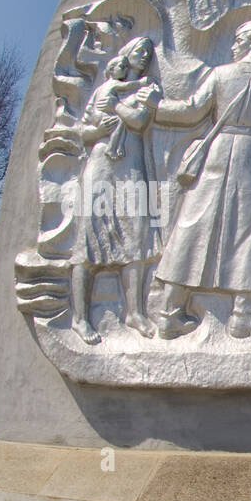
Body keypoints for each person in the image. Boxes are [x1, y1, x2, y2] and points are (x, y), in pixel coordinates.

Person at [151, 19, 251, 339]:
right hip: (248, 155)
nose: (233, 45)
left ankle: (169, 313)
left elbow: (191, 110)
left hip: (216, 151)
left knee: (193, 226)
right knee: (249, 231)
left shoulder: (220, 74)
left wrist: (154, 108)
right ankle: (242, 315)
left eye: (239, 39)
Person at [68, 38, 162, 343]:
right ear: (125, 53)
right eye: (139, 50)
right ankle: (80, 318)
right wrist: (98, 129)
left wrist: (117, 107)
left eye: (149, 52)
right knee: (89, 236)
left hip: (131, 165)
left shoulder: (149, 89)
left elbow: (139, 120)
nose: (144, 55)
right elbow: (83, 131)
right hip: (101, 163)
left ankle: (134, 312)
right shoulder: (104, 88)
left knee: (136, 234)